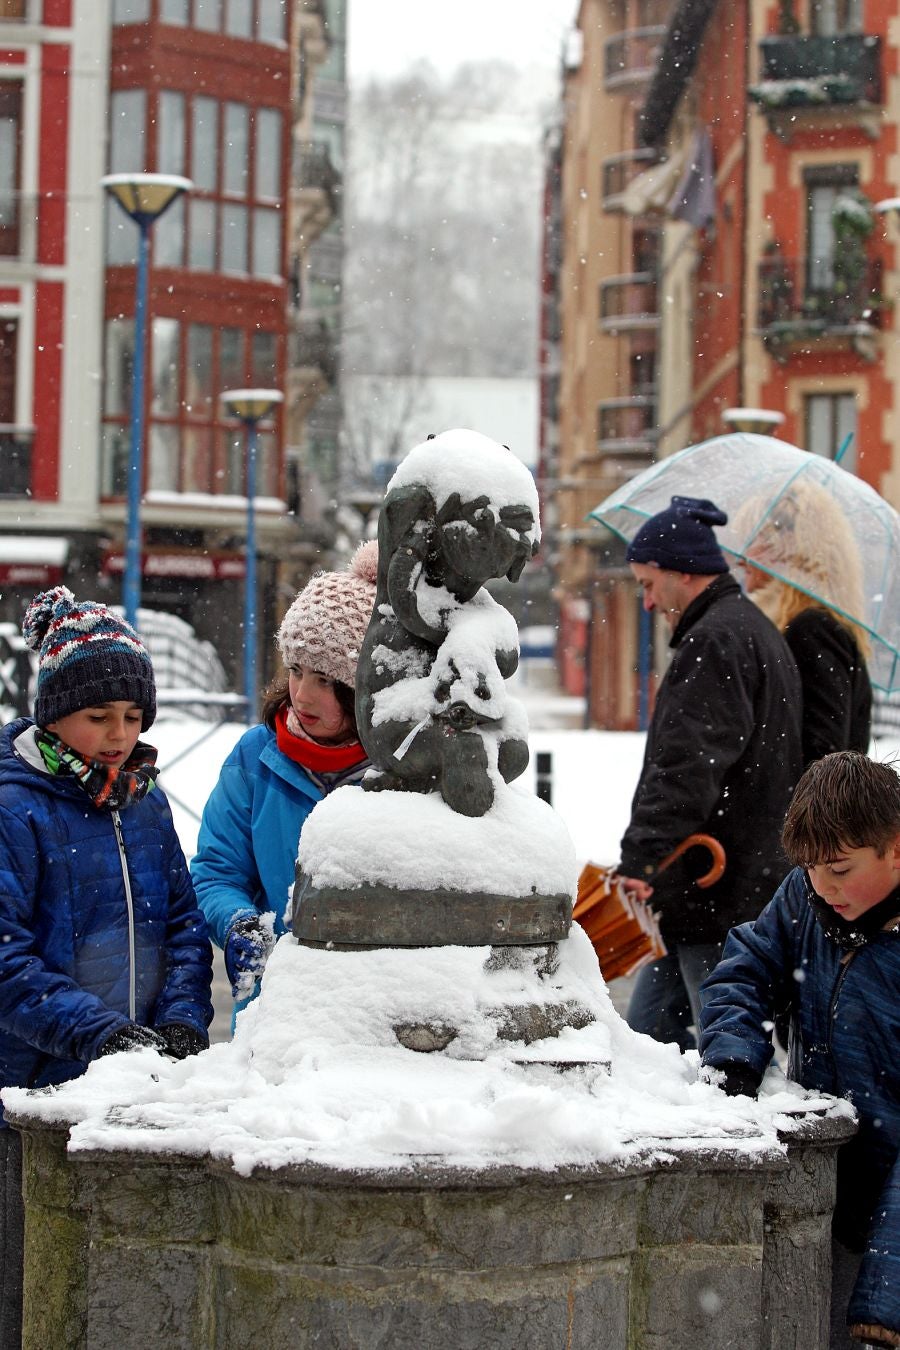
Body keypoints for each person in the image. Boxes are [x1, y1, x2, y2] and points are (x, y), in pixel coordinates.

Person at [0, 586, 213, 1350]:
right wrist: (97, 1033)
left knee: (119, 1287)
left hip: (134, 1085)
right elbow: (4, 958)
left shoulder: (144, 803)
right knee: (29, 1286)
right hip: (26, 1092)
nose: (119, 736)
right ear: (50, 712)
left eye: (133, 717)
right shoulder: (13, 808)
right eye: (99, 717)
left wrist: (184, 1017)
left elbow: (184, 924)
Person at [699, 751, 900, 1350]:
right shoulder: (806, 898)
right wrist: (736, 1055)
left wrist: (885, 1293)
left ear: (896, 847)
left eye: (839, 867)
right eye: (810, 867)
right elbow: (746, 969)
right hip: (837, 1188)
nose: (823, 885)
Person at [616, 495, 803, 1050]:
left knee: (728, 1054)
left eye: (650, 585)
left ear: (683, 573)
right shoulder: (750, 629)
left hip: (714, 885)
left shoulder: (714, 642)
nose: (647, 603)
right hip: (729, 883)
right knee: (650, 1047)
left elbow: (686, 764)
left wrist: (644, 858)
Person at [191, 541, 377, 1008]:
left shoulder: (403, 770)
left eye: (325, 680)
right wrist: (239, 923)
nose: (302, 696)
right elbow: (216, 872)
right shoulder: (256, 757)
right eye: (296, 670)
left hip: (374, 1009)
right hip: (275, 1011)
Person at [736, 479, 872, 766]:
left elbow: (825, 759)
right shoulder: (803, 625)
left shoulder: (811, 629)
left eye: (754, 539)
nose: (742, 557)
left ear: (787, 547)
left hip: (803, 810)